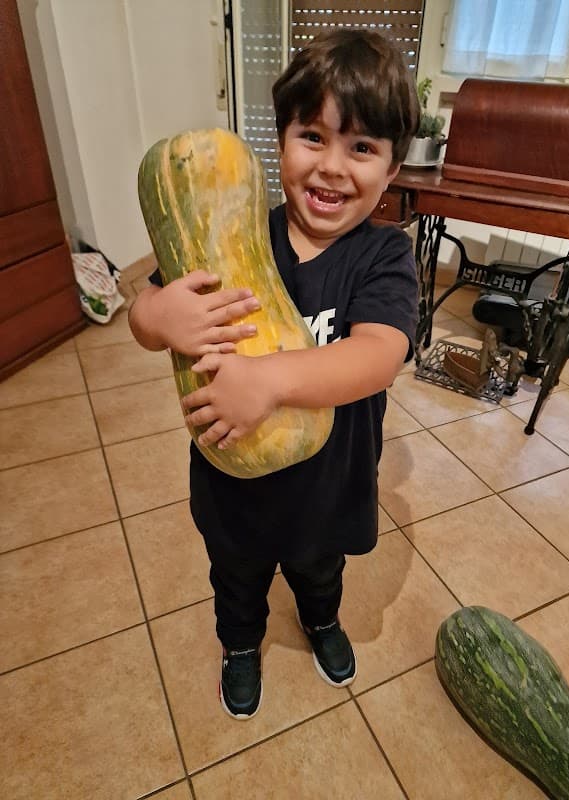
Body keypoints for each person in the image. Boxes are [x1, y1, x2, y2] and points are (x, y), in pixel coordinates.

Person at [129, 28, 419, 720]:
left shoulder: (383, 256)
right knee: (236, 579)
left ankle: (320, 621)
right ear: (279, 139)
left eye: (362, 148)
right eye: (311, 136)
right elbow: (145, 315)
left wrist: (272, 380)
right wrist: (154, 316)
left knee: (321, 572)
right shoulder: (230, 231)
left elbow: (380, 353)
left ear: (392, 168)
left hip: (329, 480)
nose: (331, 167)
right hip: (232, 481)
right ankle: (240, 645)